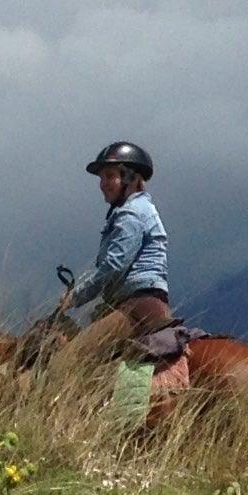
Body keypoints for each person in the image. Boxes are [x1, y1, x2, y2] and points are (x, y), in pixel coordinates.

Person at [72, 140, 178, 358]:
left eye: (110, 176)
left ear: (130, 178)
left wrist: (76, 297)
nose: (102, 183)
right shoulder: (141, 209)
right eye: (101, 178)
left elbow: (114, 264)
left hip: (135, 306)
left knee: (66, 362)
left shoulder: (131, 213)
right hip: (143, 302)